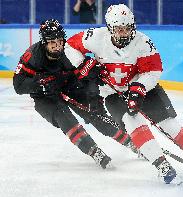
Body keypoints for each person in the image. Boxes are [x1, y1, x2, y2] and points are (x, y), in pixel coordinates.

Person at [64, 4, 183, 184]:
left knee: (169, 125)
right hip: (112, 94)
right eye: (119, 29)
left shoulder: (143, 43)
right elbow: (69, 47)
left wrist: (138, 89)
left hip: (145, 90)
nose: (124, 33)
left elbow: (153, 70)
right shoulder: (95, 37)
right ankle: (162, 166)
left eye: (127, 28)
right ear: (110, 28)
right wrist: (84, 66)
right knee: (133, 123)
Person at [13, 19, 116, 169]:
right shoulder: (32, 57)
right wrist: (40, 86)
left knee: (96, 115)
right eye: (52, 42)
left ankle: (131, 141)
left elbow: (89, 77)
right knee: (65, 117)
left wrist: (94, 99)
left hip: (70, 86)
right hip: (45, 97)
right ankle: (93, 151)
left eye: (60, 41)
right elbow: (18, 85)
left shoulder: (70, 52)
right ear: (44, 42)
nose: (57, 46)